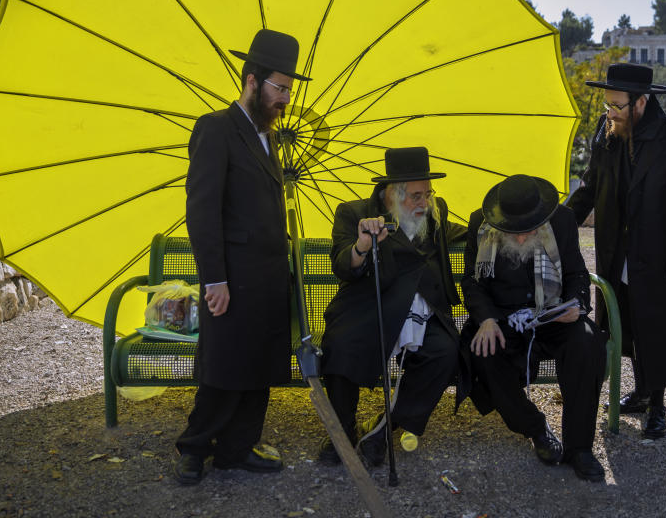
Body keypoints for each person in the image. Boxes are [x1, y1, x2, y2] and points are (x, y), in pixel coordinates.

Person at [174, 29, 310, 485]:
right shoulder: (216, 128)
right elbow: (202, 209)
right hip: (231, 279)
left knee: (259, 369)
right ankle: (194, 448)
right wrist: (214, 278)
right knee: (224, 367)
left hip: (269, 278)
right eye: (280, 88)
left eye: (290, 89)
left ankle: (236, 449)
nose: (285, 99)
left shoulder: (270, 139)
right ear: (252, 81)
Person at [566, 63, 666, 439]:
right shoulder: (607, 131)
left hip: (658, 256)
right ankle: (640, 392)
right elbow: (591, 187)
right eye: (607, 104)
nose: (609, 113)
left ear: (641, 102)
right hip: (615, 251)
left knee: (655, 329)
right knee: (622, 321)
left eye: (616, 105)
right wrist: (558, 225)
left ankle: (656, 405)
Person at [318, 147, 467, 466]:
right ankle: (343, 429)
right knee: (340, 343)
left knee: (444, 352)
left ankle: (385, 429)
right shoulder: (353, 212)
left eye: (428, 193)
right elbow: (343, 265)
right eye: (416, 196)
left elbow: (458, 233)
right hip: (369, 303)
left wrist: (498, 225)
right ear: (391, 193)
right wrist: (362, 245)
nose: (424, 202)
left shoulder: (434, 210)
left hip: (422, 308)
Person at [461, 174, 608, 481]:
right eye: (512, 231)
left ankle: (579, 448)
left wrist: (576, 306)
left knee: (587, 341)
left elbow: (576, 273)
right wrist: (486, 319)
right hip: (503, 318)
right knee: (482, 354)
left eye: (526, 229)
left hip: (552, 315)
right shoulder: (480, 223)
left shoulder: (563, 220)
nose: (519, 238)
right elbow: (472, 282)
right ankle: (535, 428)